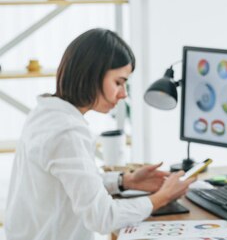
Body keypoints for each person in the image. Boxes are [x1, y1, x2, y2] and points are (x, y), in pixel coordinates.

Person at [5, 28, 194, 240]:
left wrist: (125, 181)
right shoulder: (67, 132)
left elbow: (72, 182)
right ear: (92, 74)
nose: (123, 94)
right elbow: (102, 217)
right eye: (118, 82)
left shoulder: (45, 113)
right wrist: (161, 198)